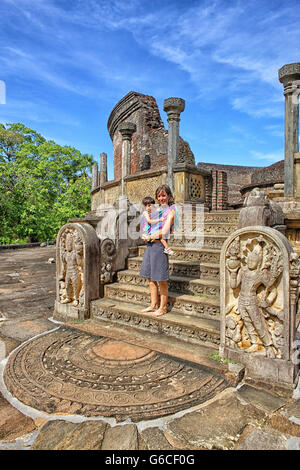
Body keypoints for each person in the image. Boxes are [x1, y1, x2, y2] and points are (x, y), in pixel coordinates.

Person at [139, 184, 176, 317]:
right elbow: (148, 225)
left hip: (159, 247)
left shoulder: (170, 211)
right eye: (159, 196)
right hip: (150, 246)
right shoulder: (156, 211)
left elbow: (164, 231)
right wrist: (145, 235)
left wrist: (150, 236)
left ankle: (163, 307)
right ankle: (153, 304)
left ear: (169, 196)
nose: (161, 198)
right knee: (150, 277)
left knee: (161, 279)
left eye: (164, 195)